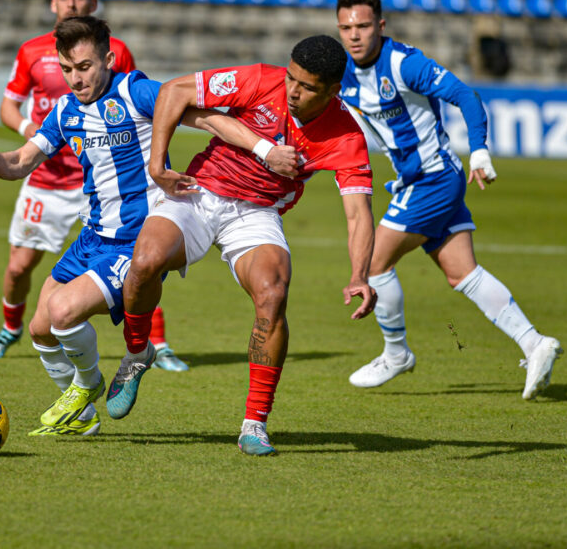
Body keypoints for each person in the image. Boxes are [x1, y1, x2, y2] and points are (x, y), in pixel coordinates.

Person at [0, 16, 295, 436]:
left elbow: (206, 118)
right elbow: (21, 162)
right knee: (40, 329)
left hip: (135, 239)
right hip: (92, 236)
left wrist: (263, 149)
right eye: (67, 70)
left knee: (62, 314)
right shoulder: (65, 112)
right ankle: (80, 421)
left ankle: (89, 384)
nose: (76, 79)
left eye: (84, 67)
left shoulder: (133, 91)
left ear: (108, 59)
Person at [107, 35, 378, 456]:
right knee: (144, 262)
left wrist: (360, 274)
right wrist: (157, 165)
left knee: (273, 295)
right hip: (199, 192)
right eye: (291, 78)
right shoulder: (259, 80)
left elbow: (359, 212)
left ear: (333, 91)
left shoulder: (346, 137)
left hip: (257, 213)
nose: (292, 91)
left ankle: (254, 423)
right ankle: (138, 352)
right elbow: (175, 91)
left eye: (306, 87)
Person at [334, 0, 562, 399]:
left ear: (380, 26)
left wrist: (480, 152)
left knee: (371, 262)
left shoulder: (403, 63)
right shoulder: (343, 73)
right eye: (346, 27)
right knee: (462, 273)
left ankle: (396, 353)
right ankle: (535, 343)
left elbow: (465, 96)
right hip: (418, 180)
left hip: (433, 178)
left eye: (363, 26)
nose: (354, 35)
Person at [0, 0, 188, 372]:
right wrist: (28, 137)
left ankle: (152, 345)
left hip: (105, 185)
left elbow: (149, 108)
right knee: (25, 272)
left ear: (92, 4)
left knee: (128, 273)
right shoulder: (32, 54)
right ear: (53, 2)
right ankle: (11, 330)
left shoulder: (121, 65)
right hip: (47, 176)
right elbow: (13, 118)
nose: (76, 77)